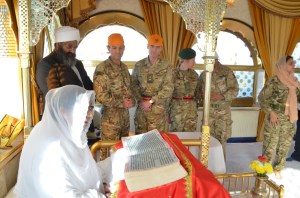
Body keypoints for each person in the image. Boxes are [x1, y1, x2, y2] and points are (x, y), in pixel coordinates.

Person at [13, 85, 108, 197]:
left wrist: (101, 185)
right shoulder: (51, 145)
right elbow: (63, 194)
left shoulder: (65, 130)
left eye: (91, 108)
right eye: (84, 109)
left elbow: (85, 170)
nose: (90, 114)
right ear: (62, 110)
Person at [93, 33, 135, 158]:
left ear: (124, 48)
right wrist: (121, 103)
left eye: (120, 48)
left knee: (122, 155)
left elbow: (129, 90)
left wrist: (132, 100)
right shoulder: (102, 68)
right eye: (114, 48)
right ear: (108, 48)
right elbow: (100, 96)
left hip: (124, 120)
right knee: (108, 156)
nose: (118, 51)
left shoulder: (124, 68)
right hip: (110, 122)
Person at [259, 56, 300, 179]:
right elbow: (262, 98)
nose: (293, 66)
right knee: (270, 144)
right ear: (283, 65)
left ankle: (278, 168)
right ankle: (263, 168)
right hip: (275, 117)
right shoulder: (274, 81)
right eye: (290, 63)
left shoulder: (294, 81)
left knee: (285, 144)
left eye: (294, 63)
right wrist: (271, 112)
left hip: (289, 118)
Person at [36, 26, 93, 107]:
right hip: (59, 117)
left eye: (75, 47)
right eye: (69, 47)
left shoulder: (78, 64)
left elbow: (89, 87)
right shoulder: (45, 65)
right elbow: (54, 97)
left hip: (84, 114)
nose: (72, 51)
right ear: (57, 45)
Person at [131, 34, 174, 134]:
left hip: (158, 113)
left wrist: (151, 101)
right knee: (140, 142)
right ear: (147, 46)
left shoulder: (167, 66)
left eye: (157, 47)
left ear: (162, 48)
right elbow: (133, 85)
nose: (154, 50)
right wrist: (141, 100)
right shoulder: (139, 65)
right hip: (142, 111)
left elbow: (168, 88)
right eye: (152, 46)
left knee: (157, 143)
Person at [198, 53, 239, 157]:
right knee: (206, 139)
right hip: (208, 113)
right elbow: (199, 92)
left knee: (221, 140)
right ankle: (207, 165)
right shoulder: (204, 74)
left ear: (216, 59)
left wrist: (222, 96)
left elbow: (235, 90)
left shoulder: (227, 72)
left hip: (222, 113)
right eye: (206, 60)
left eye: (210, 60)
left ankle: (221, 167)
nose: (207, 62)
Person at [170, 48, 199, 132]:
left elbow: (197, 94)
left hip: (191, 112)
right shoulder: (172, 74)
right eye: (193, 60)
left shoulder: (194, 75)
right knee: (176, 136)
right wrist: (167, 114)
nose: (195, 63)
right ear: (186, 61)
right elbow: (168, 94)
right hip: (176, 111)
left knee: (191, 136)